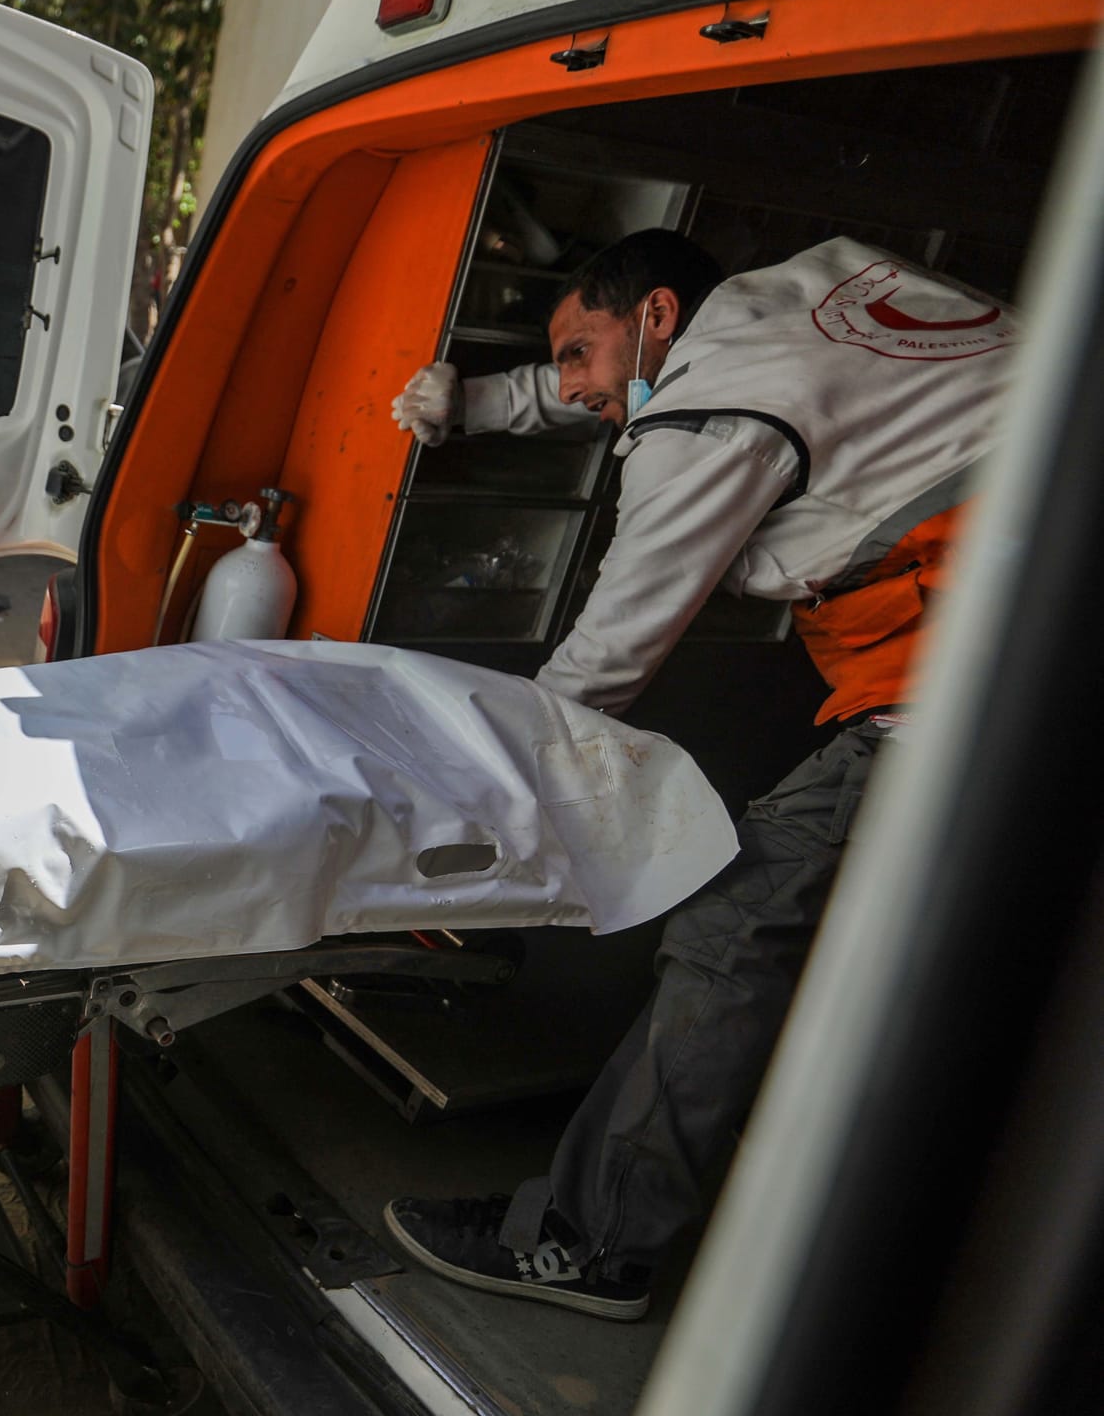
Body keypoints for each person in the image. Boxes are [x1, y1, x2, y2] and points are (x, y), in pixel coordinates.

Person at [381, 230, 1016, 1319]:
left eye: (580, 351)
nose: (576, 385)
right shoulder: (798, 293)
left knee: (739, 926)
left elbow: (603, 663)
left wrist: (460, 822)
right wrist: (476, 405)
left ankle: (588, 1243)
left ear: (660, 317)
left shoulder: (707, 418)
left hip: (992, 668)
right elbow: (602, 384)